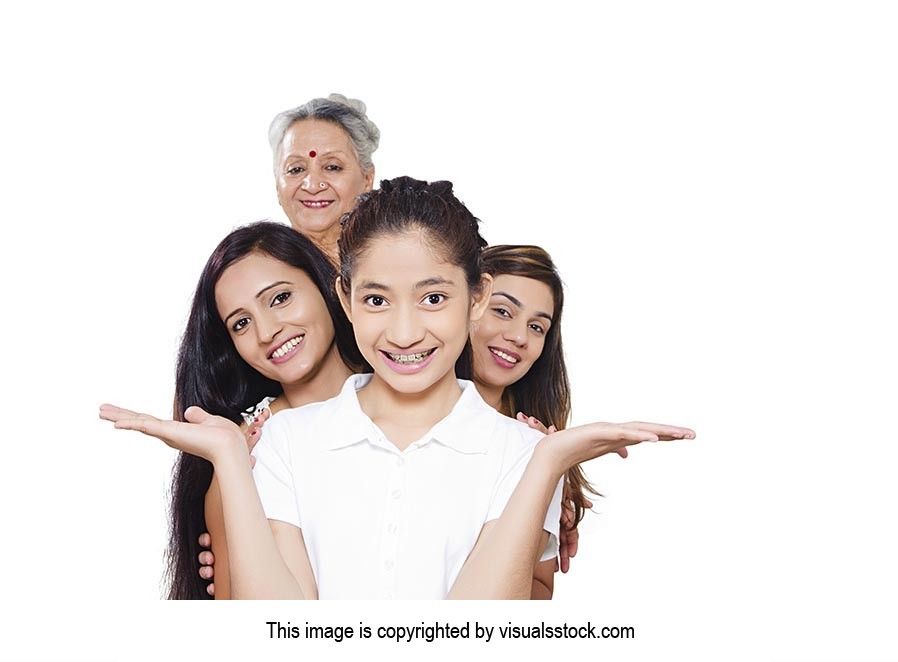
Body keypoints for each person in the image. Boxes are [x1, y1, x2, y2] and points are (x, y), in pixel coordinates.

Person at [101, 176, 693, 599]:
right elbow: (272, 635)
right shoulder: (283, 442)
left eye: (434, 298)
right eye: (377, 299)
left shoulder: (519, 451)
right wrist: (231, 458)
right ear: (346, 300)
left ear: (477, 298)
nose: (405, 332)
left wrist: (547, 465)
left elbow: (484, 636)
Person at [165, 221, 365, 599]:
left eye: (280, 298)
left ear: (327, 286)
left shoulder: (410, 389)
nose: (267, 331)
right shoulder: (243, 454)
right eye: (241, 323)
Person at [471, 245, 600, 575]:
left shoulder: (534, 447)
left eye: (537, 327)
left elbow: (538, 595)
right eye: (502, 311)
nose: (518, 337)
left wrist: (541, 482)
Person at [269, 94, 379, 266]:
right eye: (296, 169)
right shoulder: (258, 270)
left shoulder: (398, 261)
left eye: (332, 167)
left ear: (367, 179)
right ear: (277, 185)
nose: (312, 186)